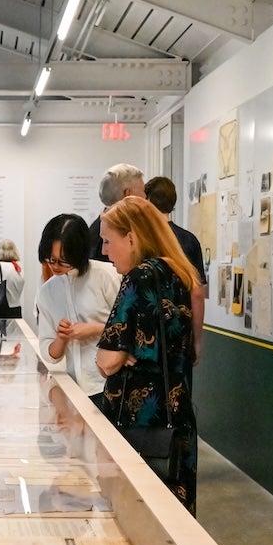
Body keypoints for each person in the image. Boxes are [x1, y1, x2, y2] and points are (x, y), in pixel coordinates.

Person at [95, 196, 201, 514]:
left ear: (131, 237)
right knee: (174, 519)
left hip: (138, 423)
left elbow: (106, 360)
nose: (104, 251)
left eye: (107, 241)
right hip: (176, 418)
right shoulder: (180, 273)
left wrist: (119, 352)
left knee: (138, 516)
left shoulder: (138, 278)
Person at [35, 214, 121, 408]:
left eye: (63, 260)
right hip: (73, 389)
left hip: (111, 385)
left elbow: (132, 328)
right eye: (51, 259)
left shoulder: (107, 276)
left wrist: (95, 329)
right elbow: (50, 353)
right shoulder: (47, 292)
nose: (55, 266)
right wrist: (62, 338)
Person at [144, 176, 208, 370]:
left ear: (147, 201)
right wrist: (196, 341)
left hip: (147, 331)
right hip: (180, 333)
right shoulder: (189, 241)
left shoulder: (142, 241)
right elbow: (197, 293)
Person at [90, 164, 145, 262]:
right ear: (128, 194)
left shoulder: (93, 231)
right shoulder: (115, 232)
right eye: (143, 190)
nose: (145, 197)